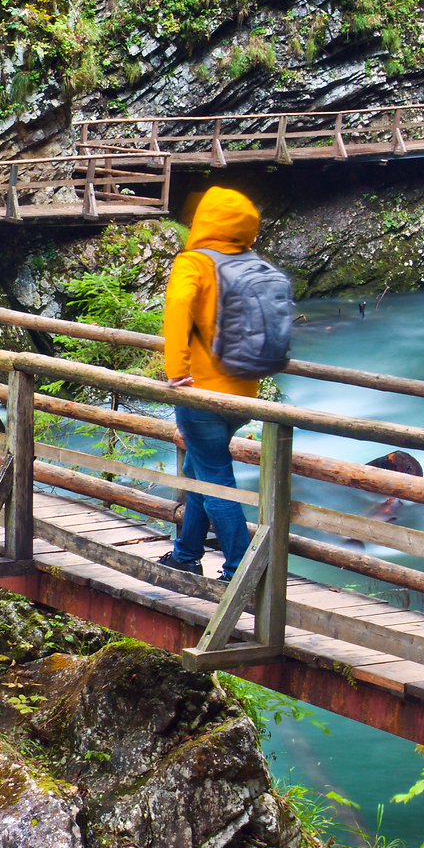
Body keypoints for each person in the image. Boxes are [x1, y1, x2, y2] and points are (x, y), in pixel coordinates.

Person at [158, 186, 263, 581]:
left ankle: (239, 570)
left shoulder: (195, 262)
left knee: (216, 477)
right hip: (245, 392)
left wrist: (175, 369)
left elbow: (179, 309)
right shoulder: (253, 264)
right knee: (202, 468)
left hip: (200, 391)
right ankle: (186, 554)